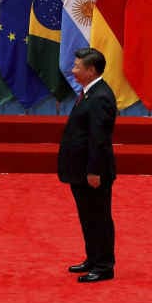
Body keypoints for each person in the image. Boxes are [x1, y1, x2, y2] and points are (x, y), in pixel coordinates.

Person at [58, 47, 117, 283]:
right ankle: (93, 258)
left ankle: (104, 266)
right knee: (88, 217)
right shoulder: (89, 92)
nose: (72, 70)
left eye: (77, 67)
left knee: (99, 218)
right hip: (80, 169)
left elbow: (99, 139)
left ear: (91, 70)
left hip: (92, 172)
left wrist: (94, 171)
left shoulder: (100, 97)